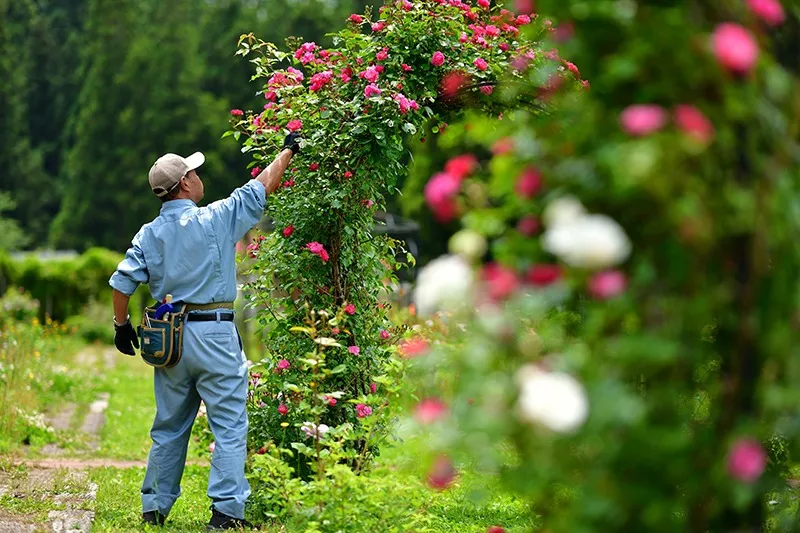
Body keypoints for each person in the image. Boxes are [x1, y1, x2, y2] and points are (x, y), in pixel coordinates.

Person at [109, 132, 301, 530]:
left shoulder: (148, 234)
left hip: (170, 339)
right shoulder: (216, 218)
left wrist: (121, 326)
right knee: (229, 423)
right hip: (214, 334)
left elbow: (121, 284)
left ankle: (155, 508)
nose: (199, 175)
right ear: (184, 184)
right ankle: (227, 513)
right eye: (193, 171)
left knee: (169, 425)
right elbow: (260, 187)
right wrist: (289, 150)